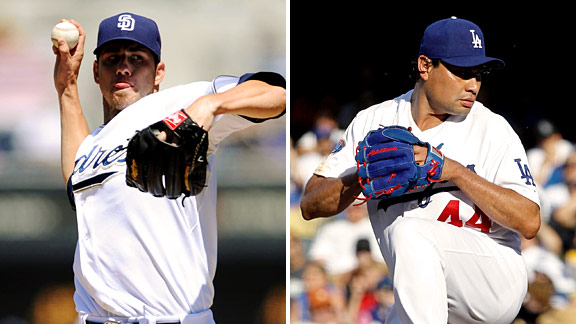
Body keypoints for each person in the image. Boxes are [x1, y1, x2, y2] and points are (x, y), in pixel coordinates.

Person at [300, 17, 540, 323]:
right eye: (461, 72)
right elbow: (310, 204)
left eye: (478, 74)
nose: (473, 85)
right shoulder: (373, 122)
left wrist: (455, 172)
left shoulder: (492, 128)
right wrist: (361, 174)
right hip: (421, 293)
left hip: (492, 279)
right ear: (425, 66)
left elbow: (530, 221)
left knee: (410, 229)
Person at [52, 13, 285, 323]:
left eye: (137, 58)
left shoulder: (181, 103)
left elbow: (276, 93)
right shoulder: (93, 143)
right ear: (96, 72)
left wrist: (209, 105)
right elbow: (76, 184)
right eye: (112, 59)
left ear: (159, 71)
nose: (124, 67)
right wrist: (66, 86)